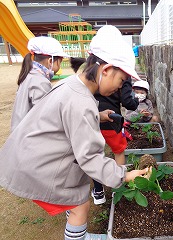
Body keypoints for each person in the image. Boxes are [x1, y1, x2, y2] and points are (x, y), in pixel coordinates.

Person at [0, 25, 146, 240]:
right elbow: (89, 158)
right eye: (121, 81)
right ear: (105, 70)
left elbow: (67, 117)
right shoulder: (82, 102)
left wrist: (98, 115)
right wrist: (123, 174)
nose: (120, 87)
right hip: (34, 168)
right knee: (80, 204)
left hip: (24, 156)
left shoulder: (71, 84)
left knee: (75, 197)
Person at [92, 78, 139, 205]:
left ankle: (98, 191)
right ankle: (119, 187)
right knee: (119, 152)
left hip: (93, 119)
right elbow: (127, 101)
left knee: (95, 155)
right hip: (113, 121)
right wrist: (136, 101)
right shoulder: (123, 74)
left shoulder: (93, 70)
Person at [11, 36, 69, 131]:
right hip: (27, 136)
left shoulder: (30, 75)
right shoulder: (40, 82)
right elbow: (45, 116)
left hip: (20, 132)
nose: (59, 66)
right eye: (60, 62)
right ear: (50, 61)